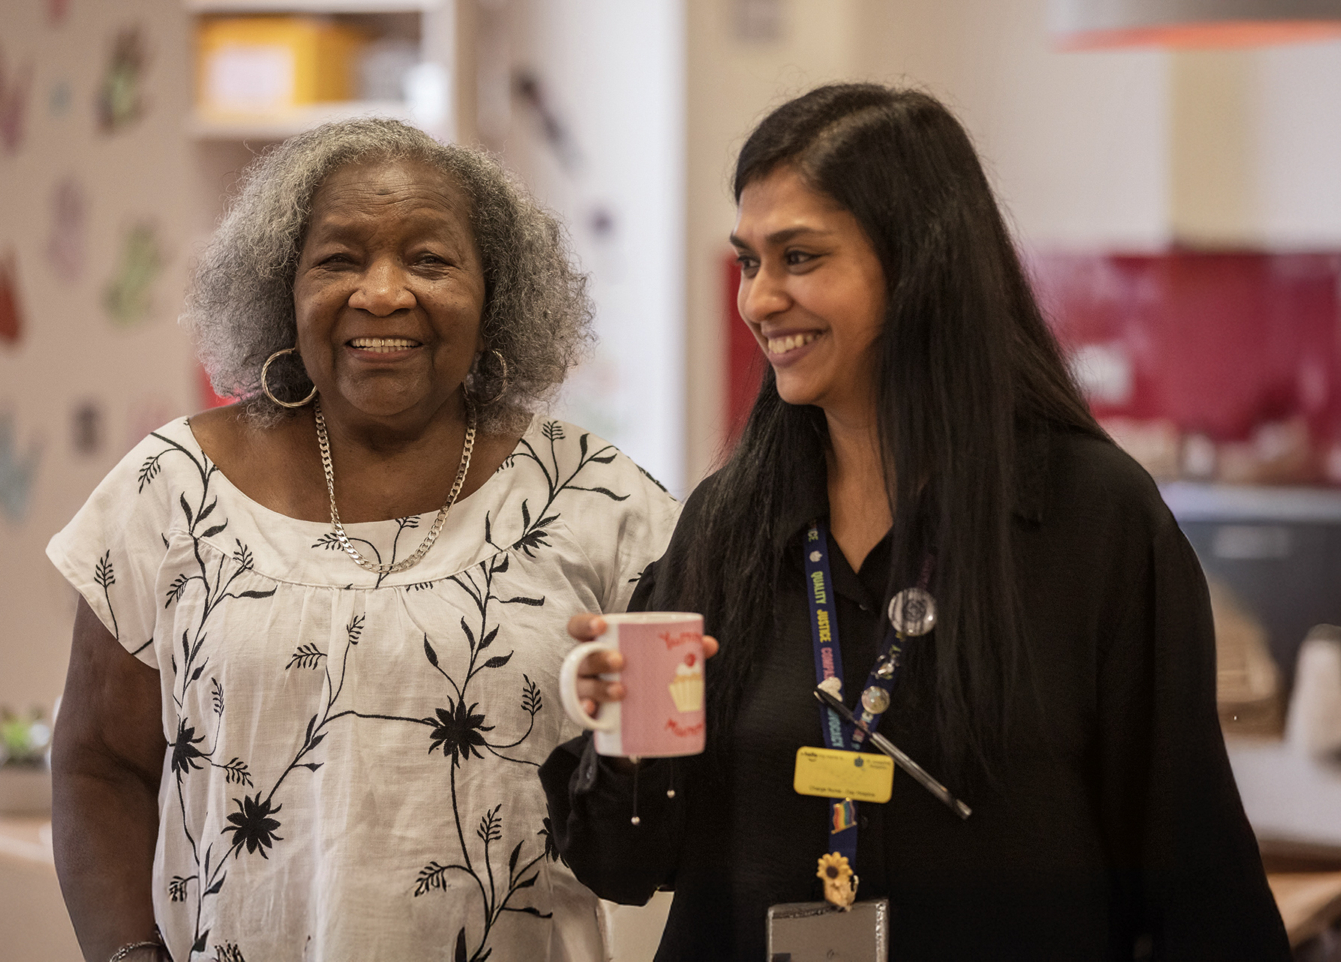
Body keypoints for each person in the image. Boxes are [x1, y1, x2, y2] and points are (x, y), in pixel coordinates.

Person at [541, 84, 1291, 961]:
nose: (758, 299)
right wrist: (621, 738)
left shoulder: (1094, 519)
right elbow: (624, 864)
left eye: (800, 258)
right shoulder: (729, 522)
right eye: (750, 261)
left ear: (920, 263)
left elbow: (1193, 870)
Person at [47, 118, 678, 962]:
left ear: (496, 293)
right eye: (339, 259)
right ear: (284, 289)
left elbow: (671, 784)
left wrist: (632, 755)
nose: (382, 293)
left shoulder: (604, 506)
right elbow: (97, 766)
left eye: (429, 259)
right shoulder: (169, 491)